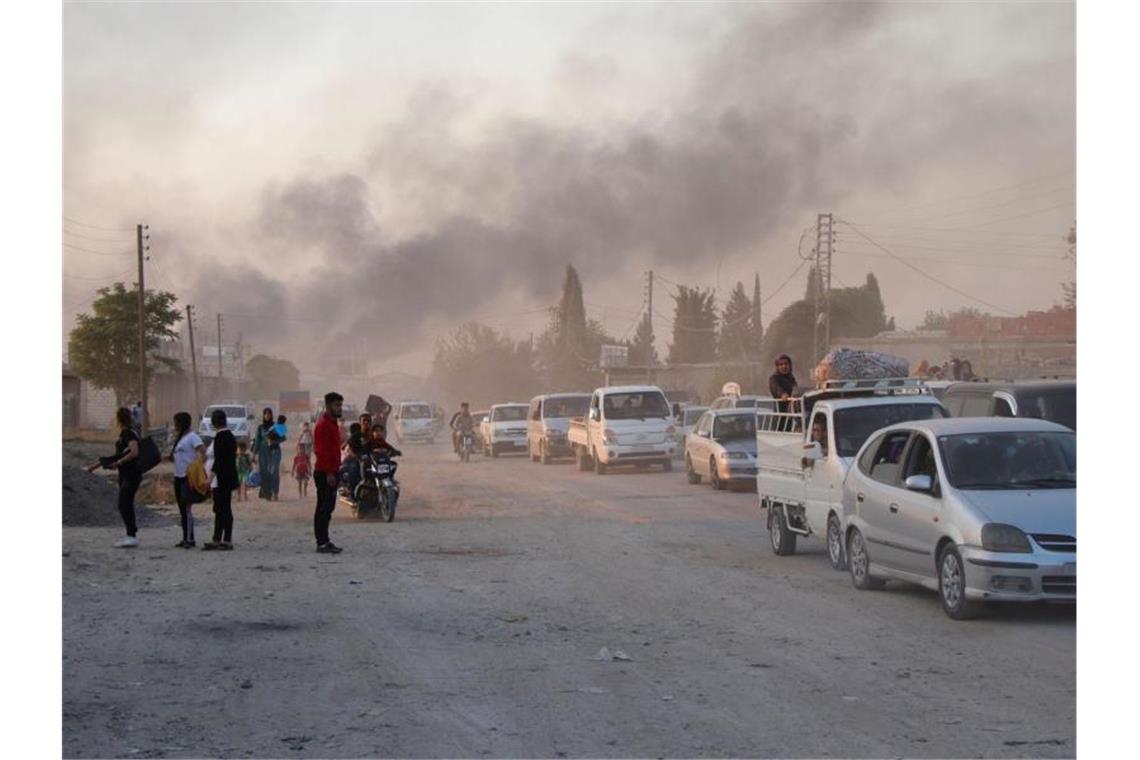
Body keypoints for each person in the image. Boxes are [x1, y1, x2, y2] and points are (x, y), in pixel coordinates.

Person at [88, 407, 143, 548]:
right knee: (125, 504)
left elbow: (134, 452)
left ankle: (131, 536)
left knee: (124, 504)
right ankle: (131, 534)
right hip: (126, 474)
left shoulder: (128, 434)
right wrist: (96, 466)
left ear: (119, 419)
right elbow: (117, 455)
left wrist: (119, 463)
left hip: (132, 474)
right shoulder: (125, 434)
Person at [313, 392, 345, 554]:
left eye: (340, 405)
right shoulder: (323, 425)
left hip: (332, 470)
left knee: (328, 508)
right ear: (328, 406)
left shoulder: (333, 424)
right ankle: (322, 542)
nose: (340, 408)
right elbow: (321, 451)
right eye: (336, 405)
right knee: (323, 509)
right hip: (325, 472)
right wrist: (329, 473)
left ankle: (325, 540)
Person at [169, 411, 205, 548]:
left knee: (187, 509)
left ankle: (190, 539)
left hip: (187, 477)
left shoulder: (192, 437)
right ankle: (185, 537)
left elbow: (203, 451)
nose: (175, 426)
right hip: (178, 476)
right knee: (182, 509)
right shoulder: (180, 438)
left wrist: (197, 467)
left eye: (176, 423)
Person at [204, 408, 239, 551]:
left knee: (221, 509)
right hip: (228, 477)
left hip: (220, 479)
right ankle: (220, 539)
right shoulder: (230, 436)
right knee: (223, 508)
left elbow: (218, 461)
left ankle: (224, 540)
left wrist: (209, 478)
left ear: (214, 423)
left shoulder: (220, 437)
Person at [253, 408, 281, 501]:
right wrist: (254, 454)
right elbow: (257, 441)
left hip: (275, 451)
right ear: (263, 415)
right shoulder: (260, 427)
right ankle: (267, 493)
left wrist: (274, 441)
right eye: (265, 413)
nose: (267, 415)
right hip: (263, 452)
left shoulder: (277, 426)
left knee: (274, 471)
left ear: (271, 415)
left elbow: (284, 438)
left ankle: (275, 492)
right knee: (264, 472)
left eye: (269, 413)